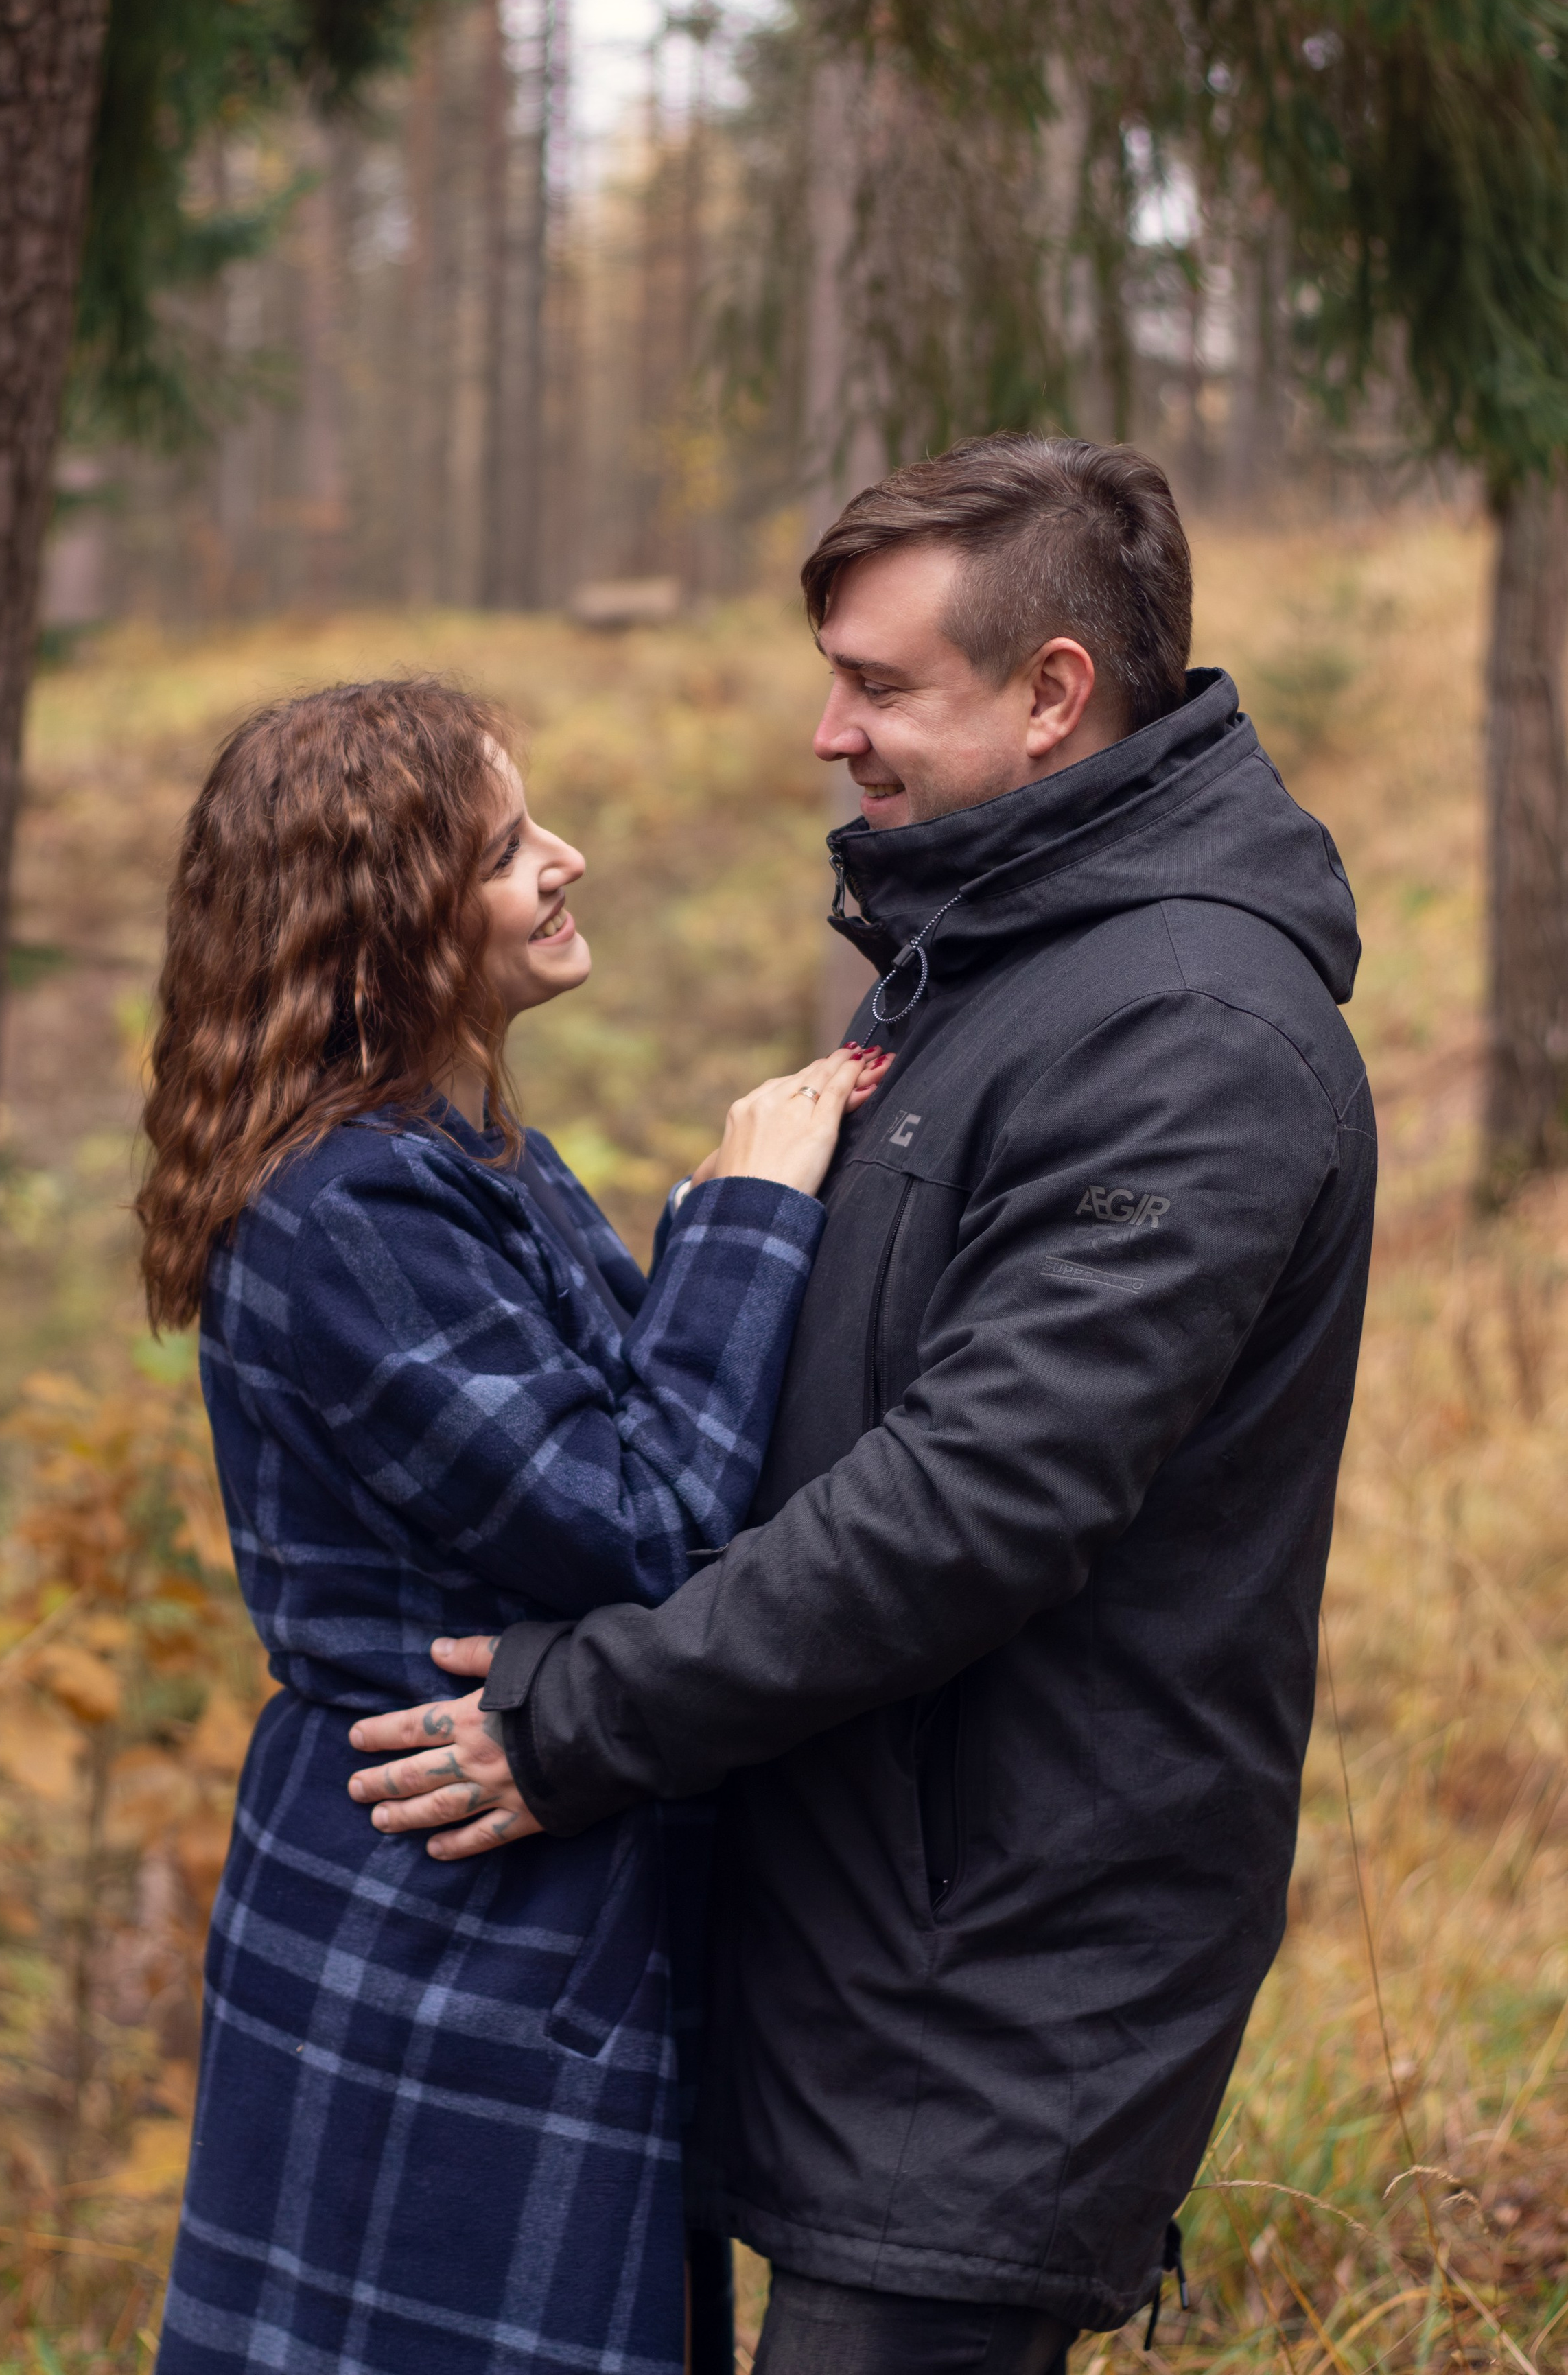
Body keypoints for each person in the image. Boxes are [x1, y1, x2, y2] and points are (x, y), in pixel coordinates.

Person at [350, 438, 1379, 2375]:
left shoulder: (1192, 1035)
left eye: (882, 686)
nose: (830, 733)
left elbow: (973, 1506)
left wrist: (573, 1720)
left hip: (1000, 1994)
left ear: (1055, 690)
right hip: (858, 1939)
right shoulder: (982, 950)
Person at [135, 675, 891, 2375]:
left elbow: (613, 1446)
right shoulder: (342, 1205)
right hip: (437, 1903)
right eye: (500, 849)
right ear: (380, 924)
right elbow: (638, 1521)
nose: (564, 861)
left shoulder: (469, 1157)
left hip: (518, 1869)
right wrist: (751, 1219)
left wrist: (717, 1228)